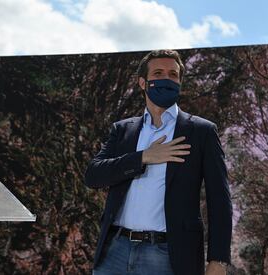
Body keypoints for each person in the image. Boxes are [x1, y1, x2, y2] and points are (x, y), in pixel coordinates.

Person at [84, 49, 232, 275]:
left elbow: (219, 200)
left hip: (167, 255)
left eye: (173, 75)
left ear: (180, 82)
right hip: (115, 251)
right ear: (142, 82)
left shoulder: (201, 132)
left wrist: (218, 260)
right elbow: (93, 175)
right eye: (159, 73)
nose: (166, 79)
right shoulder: (123, 130)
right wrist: (144, 157)